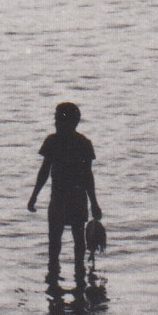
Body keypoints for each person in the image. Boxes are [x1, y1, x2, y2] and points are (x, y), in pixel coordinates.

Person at [27, 101, 101, 289]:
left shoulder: (75, 143)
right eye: (56, 119)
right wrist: (34, 195)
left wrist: (94, 203)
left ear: (72, 122)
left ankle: (66, 278)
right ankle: (62, 277)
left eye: (59, 120)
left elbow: (87, 176)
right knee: (58, 242)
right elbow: (44, 171)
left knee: (74, 241)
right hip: (63, 197)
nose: (56, 123)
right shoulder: (60, 141)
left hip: (70, 197)